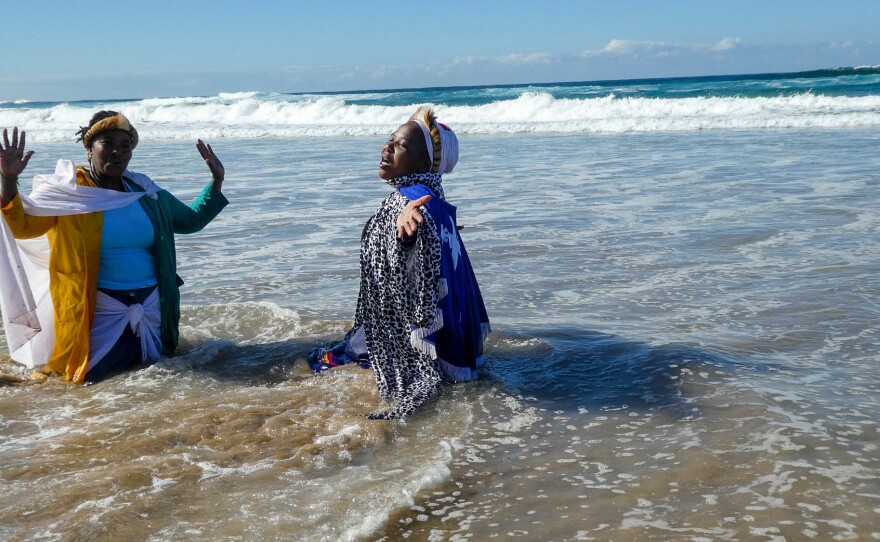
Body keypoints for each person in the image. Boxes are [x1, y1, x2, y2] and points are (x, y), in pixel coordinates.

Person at [0, 111, 228, 383]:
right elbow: (22, 227)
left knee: (157, 379)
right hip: (96, 309)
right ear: (89, 149)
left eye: (125, 146)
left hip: (153, 303)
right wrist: (9, 181)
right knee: (82, 382)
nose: (117, 152)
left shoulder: (146, 192)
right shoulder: (69, 193)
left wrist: (216, 181)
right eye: (107, 143)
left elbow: (191, 221)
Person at [309, 106, 490, 419]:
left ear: (423, 162)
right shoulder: (435, 199)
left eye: (401, 144)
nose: (387, 147)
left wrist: (407, 236)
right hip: (449, 339)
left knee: (316, 362)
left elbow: (406, 242)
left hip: (402, 331)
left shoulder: (410, 200)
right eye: (390, 140)